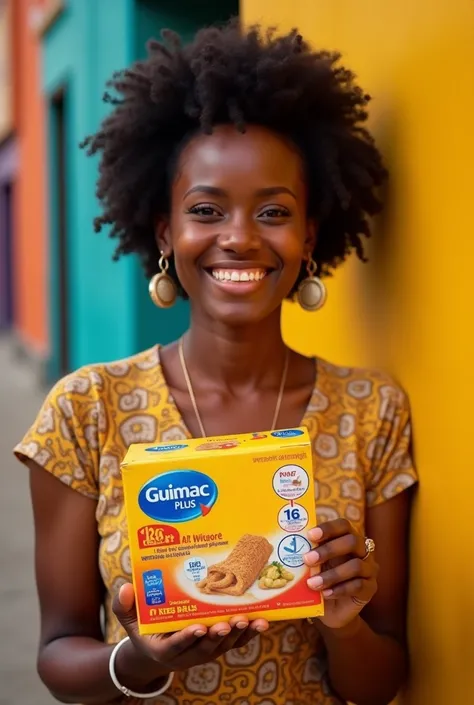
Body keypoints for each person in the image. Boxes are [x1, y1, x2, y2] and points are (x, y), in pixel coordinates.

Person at [14, 20, 417, 705]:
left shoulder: (370, 413)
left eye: (273, 212)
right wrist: (137, 659)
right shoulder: (85, 411)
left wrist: (344, 624)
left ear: (309, 234)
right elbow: (58, 654)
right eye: (207, 209)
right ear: (166, 230)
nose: (238, 238)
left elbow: (381, 680)